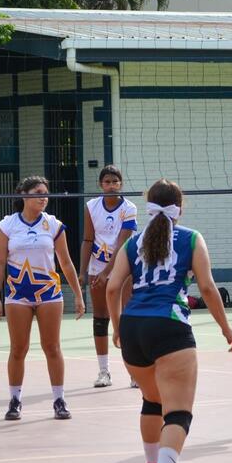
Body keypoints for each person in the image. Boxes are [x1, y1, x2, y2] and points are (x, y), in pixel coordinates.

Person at [106, 179, 232, 463]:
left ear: (149, 205)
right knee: (178, 412)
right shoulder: (192, 238)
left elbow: (113, 287)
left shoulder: (132, 242)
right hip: (169, 326)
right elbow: (207, 288)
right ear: (180, 207)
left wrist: (117, 327)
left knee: (152, 400)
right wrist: (226, 328)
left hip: (133, 327)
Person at [0, 176, 85, 421]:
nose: (44, 197)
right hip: (17, 294)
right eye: (38, 192)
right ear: (24, 195)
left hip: (49, 294)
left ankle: (59, 399)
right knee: (18, 349)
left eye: (46, 193)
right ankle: (15, 400)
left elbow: (65, 262)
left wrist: (77, 294)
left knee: (52, 347)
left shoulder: (53, 225)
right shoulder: (7, 225)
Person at [79, 165, 138, 388]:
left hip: (123, 267)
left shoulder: (129, 208)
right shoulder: (91, 206)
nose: (111, 185)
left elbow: (123, 243)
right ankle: (104, 371)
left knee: (126, 318)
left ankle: (134, 372)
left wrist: (107, 273)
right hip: (97, 267)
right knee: (101, 318)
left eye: (115, 181)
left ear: (120, 184)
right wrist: (83, 272)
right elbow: (87, 240)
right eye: (107, 181)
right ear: (100, 184)